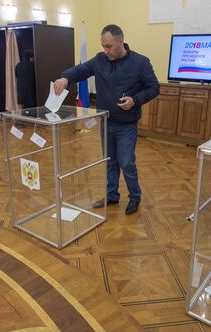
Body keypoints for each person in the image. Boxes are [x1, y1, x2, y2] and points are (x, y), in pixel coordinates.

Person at [54, 24, 159, 215]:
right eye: (103, 46)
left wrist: (135, 100)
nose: (106, 50)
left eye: (109, 46)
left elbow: (154, 88)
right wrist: (65, 78)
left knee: (126, 162)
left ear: (121, 41)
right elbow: (80, 70)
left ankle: (135, 197)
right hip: (106, 122)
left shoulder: (141, 62)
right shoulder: (100, 60)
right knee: (110, 161)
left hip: (127, 125)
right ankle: (112, 196)